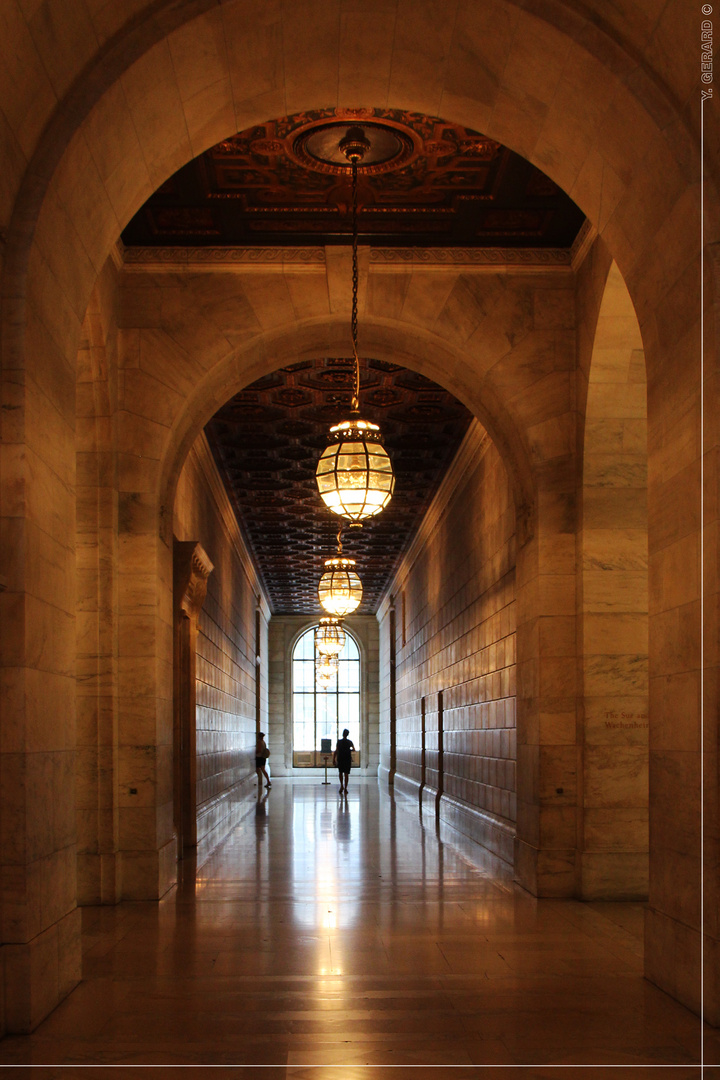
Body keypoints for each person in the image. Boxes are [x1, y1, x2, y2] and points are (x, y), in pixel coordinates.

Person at [333, 728, 355, 794]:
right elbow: (354, 749)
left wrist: (334, 759)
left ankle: (341, 786)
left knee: (340, 772)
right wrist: (348, 751)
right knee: (346, 774)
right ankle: (345, 788)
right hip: (347, 759)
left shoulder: (339, 742)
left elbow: (336, 751)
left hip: (340, 758)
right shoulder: (349, 742)